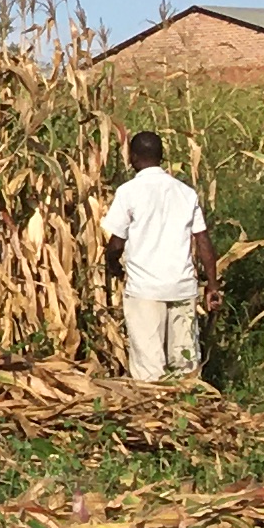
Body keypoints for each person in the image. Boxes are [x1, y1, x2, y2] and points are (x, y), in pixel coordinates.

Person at [99, 130, 220, 384]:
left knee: (149, 369)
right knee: (185, 365)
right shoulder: (185, 193)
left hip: (145, 291)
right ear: (161, 156)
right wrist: (212, 284)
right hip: (182, 287)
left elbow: (116, 243)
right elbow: (203, 241)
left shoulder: (128, 192)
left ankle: (155, 419)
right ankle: (188, 415)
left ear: (132, 157)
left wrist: (113, 266)